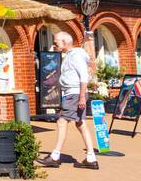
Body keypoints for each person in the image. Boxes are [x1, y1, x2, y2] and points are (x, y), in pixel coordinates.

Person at [38, 31, 99, 170]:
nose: (54, 46)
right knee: (80, 123)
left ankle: (54, 156)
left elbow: (84, 76)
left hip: (74, 94)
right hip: (72, 94)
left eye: (56, 43)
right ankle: (91, 158)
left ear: (65, 42)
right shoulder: (71, 56)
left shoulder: (76, 56)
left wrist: (82, 97)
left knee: (61, 121)